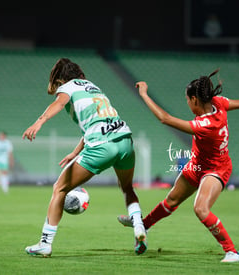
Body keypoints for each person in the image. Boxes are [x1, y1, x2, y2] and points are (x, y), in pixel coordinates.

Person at [118, 69, 239, 263]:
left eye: (187, 99)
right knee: (171, 200)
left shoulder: (205, 125)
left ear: (194, 99)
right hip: (198, 165)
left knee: (200, 208)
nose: (187, 103)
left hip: (217, 169)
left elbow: (165, 119)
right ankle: (143, 226)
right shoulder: (218, 104)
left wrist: (143, 94)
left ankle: (232, 252)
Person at [22, 58, 147, 257]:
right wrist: (75, 152)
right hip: (125, 141)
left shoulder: (68, 87)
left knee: (60, 188)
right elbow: (96, 122)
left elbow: (58, 103)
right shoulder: (93, 87)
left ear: (61, 79)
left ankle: (45, 243)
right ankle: (139, 228)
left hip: (101, 147)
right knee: (127, 188)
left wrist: (39, 122)